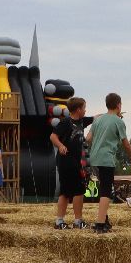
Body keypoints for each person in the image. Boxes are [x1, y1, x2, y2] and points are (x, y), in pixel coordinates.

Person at [85, 93, 131, 233]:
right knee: (107, 191)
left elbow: (88, 138)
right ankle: (100, 223)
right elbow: (126, 144)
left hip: (94, 158)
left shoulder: (98, 120)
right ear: (119, 105)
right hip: (106, 158)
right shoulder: (118, 122)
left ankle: (104, 219)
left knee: (102, 189)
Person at [51, 96, 89, 230]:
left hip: (76, 162)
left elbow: (97, 117)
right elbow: (53, 136)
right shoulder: (65, 122)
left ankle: (78, 221)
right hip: (65, 161)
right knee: (66, 191)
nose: (85, 110)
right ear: (78, 109)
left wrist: (112, 113)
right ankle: (59, 220)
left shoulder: (82, 121)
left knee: (79, 190)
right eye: (84, 108)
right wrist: (60, 146)